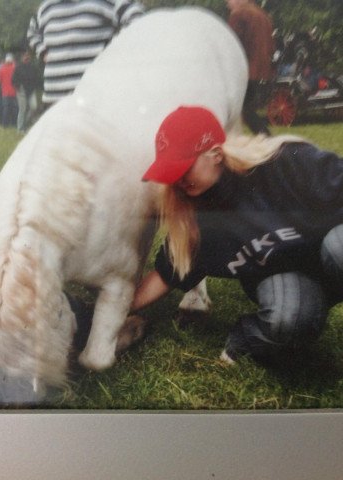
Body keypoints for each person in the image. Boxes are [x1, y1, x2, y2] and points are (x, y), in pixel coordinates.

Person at [132, 105, 343, 366]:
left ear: (216, 154)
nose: (178, 181)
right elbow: (166, 275)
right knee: (288, 321)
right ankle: (246, 338)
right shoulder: (197, 219)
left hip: (332, 253)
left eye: (184, 168)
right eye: (171, 173)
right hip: (288, 279)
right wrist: (114, 310)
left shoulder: (285, 161)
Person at [27, 0, 144, 106]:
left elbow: (137, 18)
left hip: (94, 96)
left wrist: (113, 50)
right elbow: (32, 32)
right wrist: (42, 51)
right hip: (54, 98)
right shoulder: (47, 7)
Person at [226, 0, 274, 135]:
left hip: (245, 71)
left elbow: (229, 41)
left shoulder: (239, 14)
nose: (227, 3)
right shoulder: (262, 14)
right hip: (262, 71)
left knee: (242, 110)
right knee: (245, 110)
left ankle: (267, 139)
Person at [12, 51, 39, 133]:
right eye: (25, 56)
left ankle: (26, 122)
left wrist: (35, 86)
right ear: (22, 57)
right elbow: (13, 80)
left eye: (28, 56)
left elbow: (36, 78)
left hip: (31, 90)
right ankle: (20, 129)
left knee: (34, 107)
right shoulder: (18, 67)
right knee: (22, 109)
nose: (26, 57)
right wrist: (18, 87)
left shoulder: (33, 67)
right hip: (21, 91)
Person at [0, 53, 18, 127]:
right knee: (15, 109)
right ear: (12, 60)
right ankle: (15, 123)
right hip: (15, 92)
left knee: (6, 109)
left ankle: (4, 125)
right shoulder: (15, 68)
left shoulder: (1, 69)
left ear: (5, 60)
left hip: (5, 92)